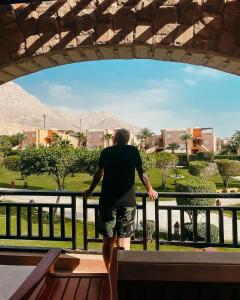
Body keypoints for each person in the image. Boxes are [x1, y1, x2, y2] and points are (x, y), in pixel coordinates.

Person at [83, 128, 158, 270]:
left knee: (107, 241)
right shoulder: (133, 151)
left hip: (107, 202)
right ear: (128, 140)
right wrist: (150, 189)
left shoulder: (106, 152)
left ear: (114, 139)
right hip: (127, 203)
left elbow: (98, 174)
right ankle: (122, 273)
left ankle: (109, 270)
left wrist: (90, 190)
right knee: (124, 242)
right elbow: (142, 173)